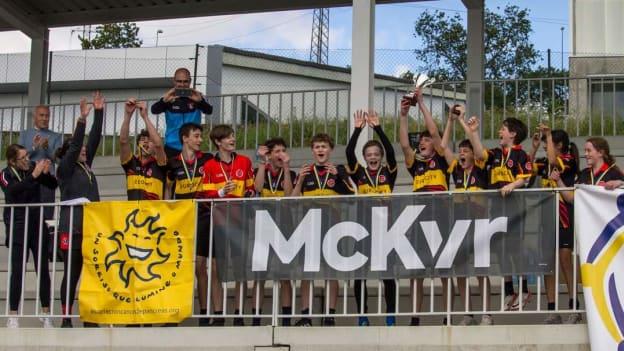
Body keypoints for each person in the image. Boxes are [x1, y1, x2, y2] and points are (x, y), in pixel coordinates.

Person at [398, 89, 454, 326]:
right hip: (418, 219)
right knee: (415, 272)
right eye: (420, 140)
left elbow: (434, 131)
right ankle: (414, 317)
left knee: (443, 270)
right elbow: (403, 145)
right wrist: (402, 115)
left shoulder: (441, 159)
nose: (422, 141)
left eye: (426, 139)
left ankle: (447, 316)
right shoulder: (415, 164)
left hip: (440, 217)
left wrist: (421, 103)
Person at [291, 133, 355, 326]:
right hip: (309, 225)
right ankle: (306, 315)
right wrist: (300, 181)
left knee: (331, 270)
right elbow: (291, 201)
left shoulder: (338, 169)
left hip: (331, 225)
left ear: (330, 150)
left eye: (324, 146)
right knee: (307, 271)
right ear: (312, 150)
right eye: (317, 147)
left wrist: (340, 176)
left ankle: (329, 314)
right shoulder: (305, 171)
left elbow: (353, 195)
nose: (320, 150)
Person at [56, 92, 104, 328]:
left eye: (86, 150)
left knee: (92, 273)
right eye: (79, 149)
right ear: (68, 153)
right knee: (72, 272)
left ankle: (89, 316)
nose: (84, 150)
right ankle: (66, 316)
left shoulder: (87, 166)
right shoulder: (64, 169)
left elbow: (93, 139)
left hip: (91, 227)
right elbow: (76, 145)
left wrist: (99, 112)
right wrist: (81, 120)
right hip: (71, 227)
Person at [346, 109, 397, 327]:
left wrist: (377, 128)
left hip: (386, 228)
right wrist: (358, 129)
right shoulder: (358, 173)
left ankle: (391, 315)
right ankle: (362, 315)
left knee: (387, 275)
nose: (373, 157)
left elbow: (392, 152)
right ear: (365, 158)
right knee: (361, 274)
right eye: (369, 155)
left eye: (376, 154)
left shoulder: (390, 171)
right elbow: (349, 152)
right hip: (364, 228)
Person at [441, 113, 493, 326]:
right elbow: (443, 147)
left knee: (481, 269)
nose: (461, 154)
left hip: (480, 221)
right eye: (460, 151)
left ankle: (486, 313)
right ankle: (467, 313)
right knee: (460, 269)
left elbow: (476, 144)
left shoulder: (481, 167)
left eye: (465, 151)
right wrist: (451, 122)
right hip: (460, 223)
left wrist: (465, 124)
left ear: (473, 154)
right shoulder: (455, 169)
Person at [203, 124, 255, 326]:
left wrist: (248, 194)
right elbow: (204, 197)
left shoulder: (244, 161)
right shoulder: (209, 166)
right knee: (216, 268)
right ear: (218, 142)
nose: (233, 139)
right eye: (228, 137)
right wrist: (222, 192)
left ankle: (239, 314)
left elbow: (251, 189)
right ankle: (218, 314)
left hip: (239, 220)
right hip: (217, 222)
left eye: (233, 136)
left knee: (240, 268)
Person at [529, 125, 581, 325]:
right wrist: (533, 148)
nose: (545, 148)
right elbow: (526, 168)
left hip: (564, 215)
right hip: (545, 216)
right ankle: (552, 309)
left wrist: (548, 135)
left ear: (559, 145)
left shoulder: (568, 159)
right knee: (548, 261)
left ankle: (574, 306)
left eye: (548, 144)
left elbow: (553, 161)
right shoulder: (544, 162)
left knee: (565, 259)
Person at [1, 144, 57, 328]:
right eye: (22, 158)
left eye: (27, 156)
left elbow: (52, 185)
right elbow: (12, 192)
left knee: (43, 269)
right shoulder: (5, 174)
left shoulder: (33, 167)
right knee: (17, 270)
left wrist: (46, 173)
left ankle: (46, 312)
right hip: (18, 226)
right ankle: (13, 314)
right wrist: (34, 176)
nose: (27, 160)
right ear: (12, 161)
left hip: (37, 224)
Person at [166, 122, 213, 326]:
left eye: (200, 136)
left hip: (203, 216)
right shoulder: (173, 163)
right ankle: (175, 313)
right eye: (196, 136)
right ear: (185, 138)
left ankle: (204, 313)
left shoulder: (208, 159)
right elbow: (168, 189)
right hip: (181, 218)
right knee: (180, 266)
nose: (200, 140)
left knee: (200, 266)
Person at [485, 117, 532, 311]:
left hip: (514, 209)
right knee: (500, 250)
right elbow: (479, 152)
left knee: (514, 249)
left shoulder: (521, 155)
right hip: (496, 209)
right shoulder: (495, 152)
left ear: (513, 134)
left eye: (503, 129)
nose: (499, 132)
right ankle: (508, 289)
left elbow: (526, 177)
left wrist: (511, 185)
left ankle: (524, 288)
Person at [252, 137, 295, 326]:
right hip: (263, 226)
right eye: (277, 151)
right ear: (269, 154)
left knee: (285, 275)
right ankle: (256, 319)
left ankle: (285, 320)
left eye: (283, 150)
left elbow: (287, 194)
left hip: (285, 227)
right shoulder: (260, 170)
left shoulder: (290, 173)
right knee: (260, 275)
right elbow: (258, 188)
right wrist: (262, 163)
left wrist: (286, 168)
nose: (281, 154)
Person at [150, 68, 213, 158]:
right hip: (172, 147)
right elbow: (154, 110)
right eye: (179, 81)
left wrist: (200, 101)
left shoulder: (196, 97)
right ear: (174, 81)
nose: (182, 85)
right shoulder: (169, 98)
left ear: (190, 81)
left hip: (192, 146)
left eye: (185, 81)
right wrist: (164, 101)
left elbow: (209, 111)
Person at [18, 105, 62, 217]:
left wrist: (47, 148)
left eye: (47, 116)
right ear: (35, 117)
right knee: (29, 215)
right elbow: (19, 157)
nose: (44, 118)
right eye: (41, 115)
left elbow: (58, 160)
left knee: (47, 215)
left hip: (47, 181)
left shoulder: (56, 136)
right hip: (30, 178)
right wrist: (34, 147)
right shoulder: (24, 134)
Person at [120, 98, 168, 201]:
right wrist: (128, 115)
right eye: (142, 140)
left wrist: (145, 117)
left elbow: (159, 145)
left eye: (149, 140)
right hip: (134, 215)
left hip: (155, 215)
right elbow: (123, 141)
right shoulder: (130, 163)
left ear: (154, 146)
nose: (145, 142)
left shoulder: (160, 164)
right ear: (137, 144)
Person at [555, 137, 623, 199]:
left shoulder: (614, 173)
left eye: (589, 150)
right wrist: (558, 180)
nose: (585, 154)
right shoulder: (583, 174)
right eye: (585, 151)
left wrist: (620, 183)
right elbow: (571, 199)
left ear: (600, 153)